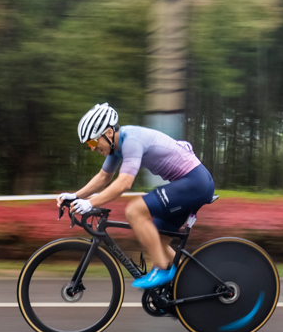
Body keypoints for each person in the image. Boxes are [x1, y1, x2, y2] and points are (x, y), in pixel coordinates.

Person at [58, 103, 215, 290]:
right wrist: (75, 195)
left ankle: (161, 269)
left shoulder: (130, 140)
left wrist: (90, 203)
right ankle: (191, 286)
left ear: (108, 133)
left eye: (92, 142)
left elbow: (124, 183)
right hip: (190, 184)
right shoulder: (116, 147)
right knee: (155, 237)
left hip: (195, 183)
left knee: (134, 211)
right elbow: (103, 177)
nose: (92, 148)